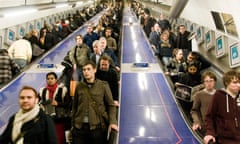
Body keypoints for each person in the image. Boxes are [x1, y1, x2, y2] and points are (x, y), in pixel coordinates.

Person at [71, 61, 118, 144]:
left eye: (88, 69)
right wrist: (73, 124)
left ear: (94, 70)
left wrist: (113, 122)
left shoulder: (103, 85)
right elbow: (75, 106)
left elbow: (111, 105)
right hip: (79, 128)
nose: (86, 72)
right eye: (84, 70)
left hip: (97, 129)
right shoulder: (79, 86)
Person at [204, 70, 240, 144]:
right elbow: (209, 116)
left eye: (239, 82)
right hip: (225, 140)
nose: (238, 85)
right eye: (235, 82)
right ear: (227, 83)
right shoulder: (218, 96)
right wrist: (210, 133)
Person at [39, 72, 69, 144]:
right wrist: (40, 105)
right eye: (48, 79)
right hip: (47, 118)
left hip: (59, 119)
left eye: (52, 78)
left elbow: (68, 103)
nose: (50, 80)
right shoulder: (42, 90)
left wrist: (58, 103)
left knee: (59, 138)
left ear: (56, 79)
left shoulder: (62, 90)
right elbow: (39, 102)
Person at [191, 71, 217, 136]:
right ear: (203, 83)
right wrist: (197, 122)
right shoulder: (199, 95)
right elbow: (194, 111)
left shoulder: (219, 94)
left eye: (211, 81)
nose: (209, 83)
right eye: (206, 81)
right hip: (206, 128)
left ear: (215, 82)